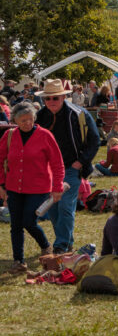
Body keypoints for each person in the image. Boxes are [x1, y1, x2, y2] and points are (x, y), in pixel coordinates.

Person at [34, 79, 100, 254]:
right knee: (53, 208)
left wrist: (81, 162)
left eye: (55, 97)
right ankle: (66, 241)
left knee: (65, 205)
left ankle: (60, 245)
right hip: (49, 170)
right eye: (48, 99)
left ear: (63, 97)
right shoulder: (40, 116)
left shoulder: (78, 114)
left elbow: (95, 141)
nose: (51, 102)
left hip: (71, 167)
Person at [0, 101, 64, 272]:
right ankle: (19, 261)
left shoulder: (45, 135)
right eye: (23, 121)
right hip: (14, 187)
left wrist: (57, 187)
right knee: (15, 225)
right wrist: (1, 185)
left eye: (30, 119)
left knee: (29, 221)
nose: (27, 123)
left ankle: (44, 244)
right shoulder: (9, 136)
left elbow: (57, 163)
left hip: (38, 187)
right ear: (15, 121)